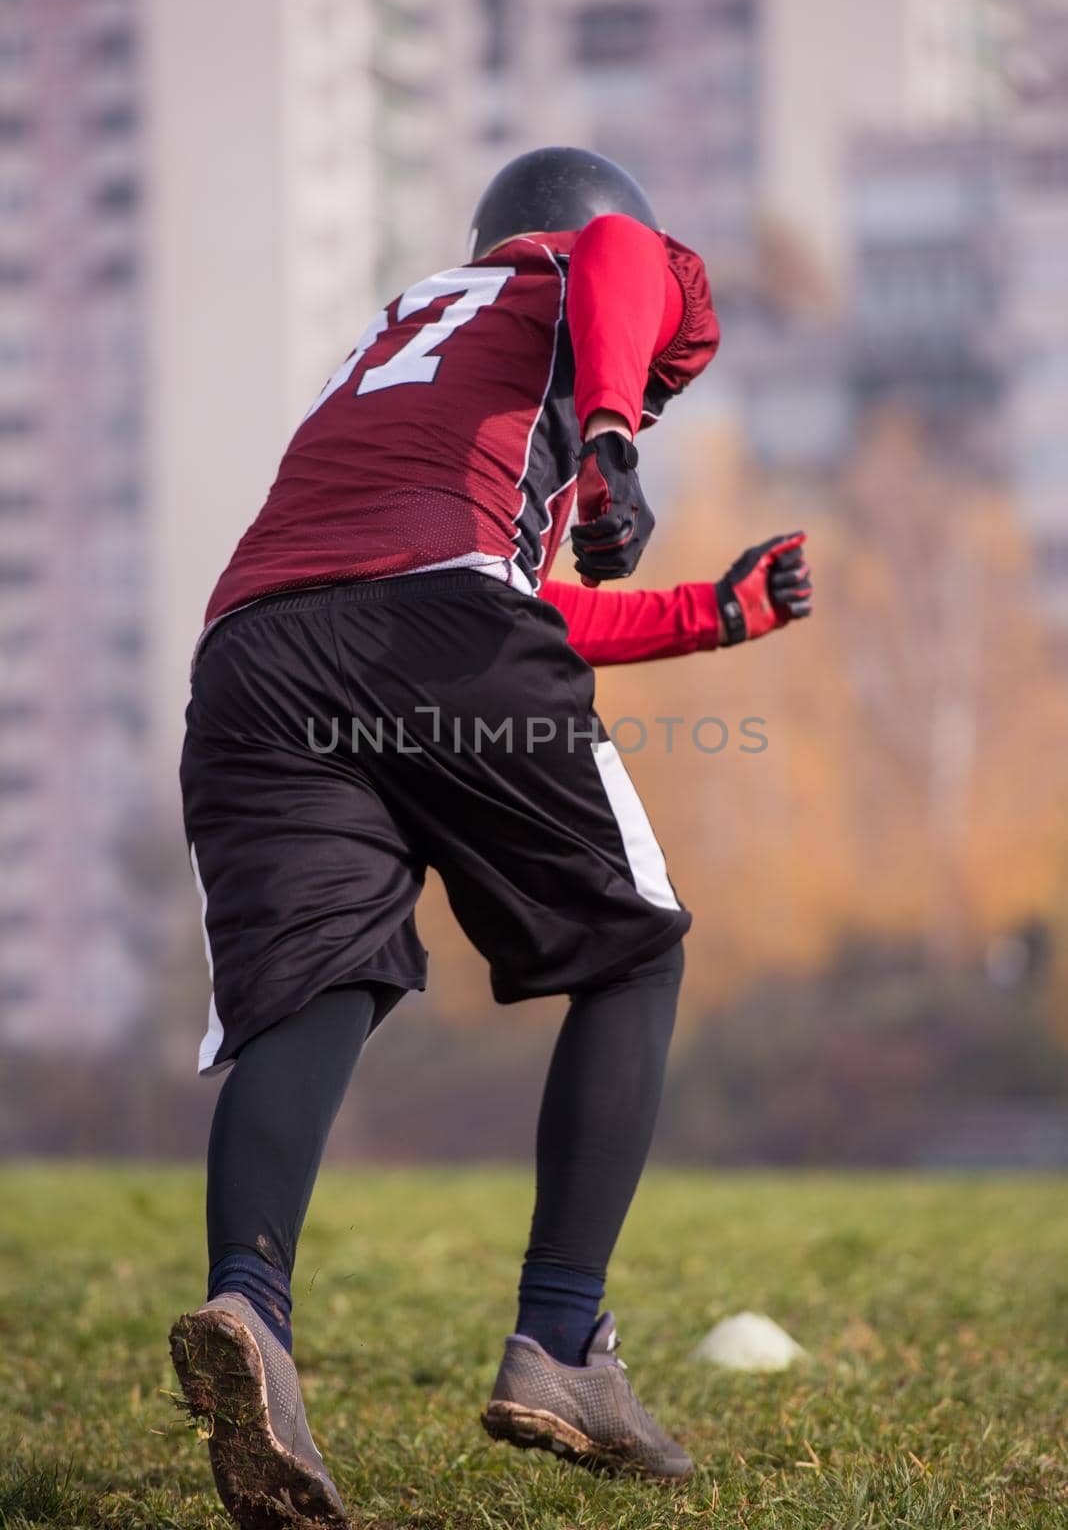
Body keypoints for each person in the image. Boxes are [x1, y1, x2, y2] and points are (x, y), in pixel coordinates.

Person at [170, 146, 812, 1529]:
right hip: (438, 621)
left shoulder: (399, 331)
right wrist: (613, 435)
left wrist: (715, 613)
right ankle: (565, 1345)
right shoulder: (579, 267)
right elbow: (624, 264)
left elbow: (476, 587)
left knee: (318, 984)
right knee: (636, 954)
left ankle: (252, 1313)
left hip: (252, 655)